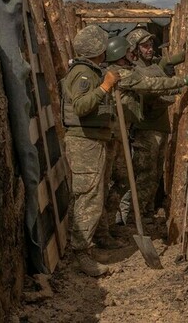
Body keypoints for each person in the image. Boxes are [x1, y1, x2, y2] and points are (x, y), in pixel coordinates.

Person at [104, 35, 188, 226]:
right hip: (142, 128)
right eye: (144, 46)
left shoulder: (152, 66)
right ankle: (127, 217)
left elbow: (168, 61)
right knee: (140, 174)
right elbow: (151, 86)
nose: (149, 49)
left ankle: (141, 213)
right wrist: (182, 82)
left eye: (151, 45)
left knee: (150, 174)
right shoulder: (129, 72)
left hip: (155, 125)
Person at [61, 24, 121, 277]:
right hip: (84, 142)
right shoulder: (83, 73)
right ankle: (81, 253)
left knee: (94, 196)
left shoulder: (91, 71)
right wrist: (105, 87)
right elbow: (82, 106)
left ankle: (88, 247)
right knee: (87, 198)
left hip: (93, 140)